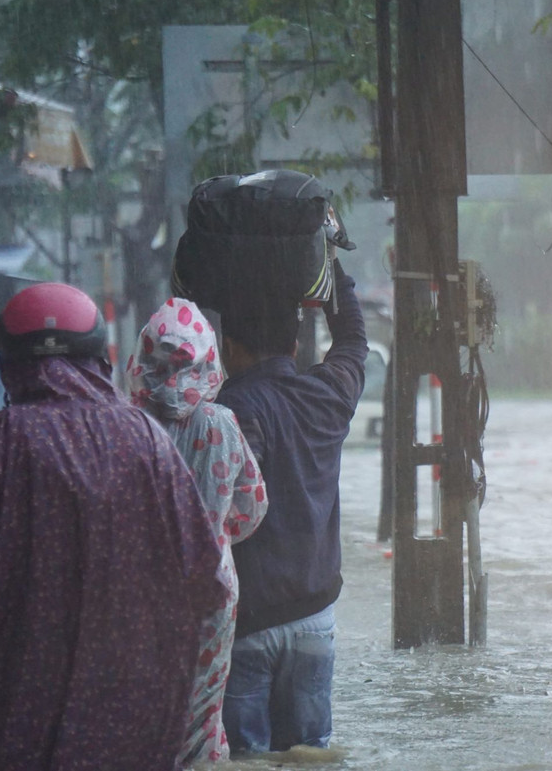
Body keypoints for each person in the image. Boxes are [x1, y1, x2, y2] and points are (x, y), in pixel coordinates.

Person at [0, 282, 225, 771]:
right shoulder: (149, 441)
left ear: (9, 368)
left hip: (31, 715)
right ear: (101, 363)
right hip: (142, 715)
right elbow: (207, 580)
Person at [218, 259, 367, 753]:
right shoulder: (328, 396)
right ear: (295, 344)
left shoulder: (227, 414)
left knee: (243, 761)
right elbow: (352, 343)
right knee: (311, 757)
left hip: (248, 627)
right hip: (315, 622)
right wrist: (332, 270)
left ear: (227, 348)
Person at [128, 297, 268, 766]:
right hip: (211, 586)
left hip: (139, 590)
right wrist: (215, 531)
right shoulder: (221, 424)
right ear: (209, 359)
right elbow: (252, 507)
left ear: (143, 359)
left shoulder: (124, 428)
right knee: (203, 713)